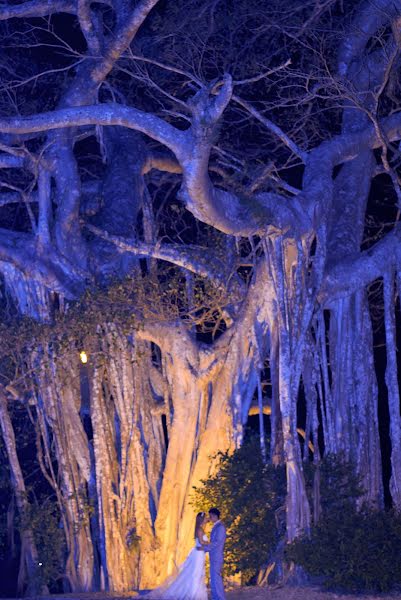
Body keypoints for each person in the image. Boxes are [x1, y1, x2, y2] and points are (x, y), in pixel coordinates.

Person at [144, 511, 208, 599]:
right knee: (195, 573)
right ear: (202, 519)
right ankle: (193, 594)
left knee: (195, 573)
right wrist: (212, 543)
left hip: (199, 553)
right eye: (205, 518)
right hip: (198, 554)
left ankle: (193, 592)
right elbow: (201, 542)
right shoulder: (200, 530)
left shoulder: (199, 529)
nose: (206, 520)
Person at [201, 508, 226, 600]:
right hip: (214, 556)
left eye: (211, 516)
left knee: (216, 579)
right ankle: (216, 597)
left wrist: (204, 548)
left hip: (217, 556)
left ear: (215, 516)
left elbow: (217, 543)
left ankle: (220, 598)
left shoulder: (220, 527)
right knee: (214, 579)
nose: (210, 518)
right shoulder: (216, 526)